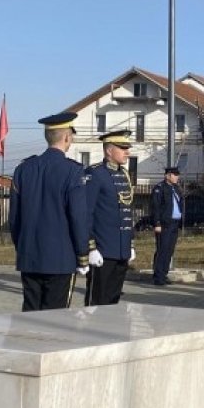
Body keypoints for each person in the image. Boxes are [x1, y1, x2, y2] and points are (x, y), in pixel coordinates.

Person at [9, 112, 89, 311]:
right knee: (55, 317)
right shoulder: (73, 171)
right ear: (67, 137)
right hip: (61, 259)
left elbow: (14, 218)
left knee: (30, 313)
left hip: (30, 255)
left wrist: (23, 247)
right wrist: (83, 254)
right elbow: (78, 217)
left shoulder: (23, 169)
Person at [85, 129, 136, 306]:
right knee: (97, 301)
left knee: (113, 301)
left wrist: (130, 243)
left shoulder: (124, 174)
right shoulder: (95, 174)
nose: (127, 152)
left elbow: (127, 211)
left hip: (121, 249)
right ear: (109, 150)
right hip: (103, 250)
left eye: (127, 148)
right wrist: (91, 248)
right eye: (122, 148)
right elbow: (86, 214)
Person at [150, 166, 184, 286]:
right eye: (175, 175)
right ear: (168, 176)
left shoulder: (176, 188)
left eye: (177, 175)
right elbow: (155, 207)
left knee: (169, 250)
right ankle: (158, 276)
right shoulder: (160, 188)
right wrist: (157, 223)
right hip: (164, 224)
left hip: (174, 223)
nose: (177, 177)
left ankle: (164, 274)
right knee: (162, 250)